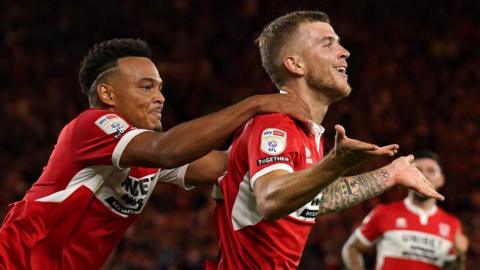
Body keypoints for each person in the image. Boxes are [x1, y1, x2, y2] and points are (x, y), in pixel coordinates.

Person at [0, 38, 314, 270]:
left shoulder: (142, 154)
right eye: (147, 87)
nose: (160, 98)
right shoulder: (92, 125)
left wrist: (282, 140)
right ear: (107, 94)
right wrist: (255, 105)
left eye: (160, 88)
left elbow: (225, 165)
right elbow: (167, 151)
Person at [206, 11, 444, 270]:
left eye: (338, 42)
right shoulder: (275, 123)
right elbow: (271, 199)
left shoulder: (305, 133)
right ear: (295, 65)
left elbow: (311, 199)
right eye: (327, 43)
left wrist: (390, 175)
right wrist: (335, 164)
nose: (344, 52)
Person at [342, 150, 468, 270]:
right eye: (418, 169)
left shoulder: (452, 224)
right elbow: (351, 249)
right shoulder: (384, 213)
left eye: (431, 170)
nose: (424, 175)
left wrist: (460, 256)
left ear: (441, 180)